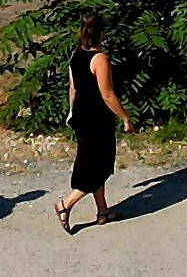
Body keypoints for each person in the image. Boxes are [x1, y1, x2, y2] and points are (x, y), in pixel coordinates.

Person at [52, 15, 126, 232]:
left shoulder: (76, 57)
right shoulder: (99, 59)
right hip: (97, 119)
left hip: (81, 116)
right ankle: (66, 204)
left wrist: (71, 111)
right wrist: (125, 117)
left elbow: (72, 88)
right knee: (99, 165)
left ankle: (103, 211)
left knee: (93, 162)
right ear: (101, 34)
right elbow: (108, 95)